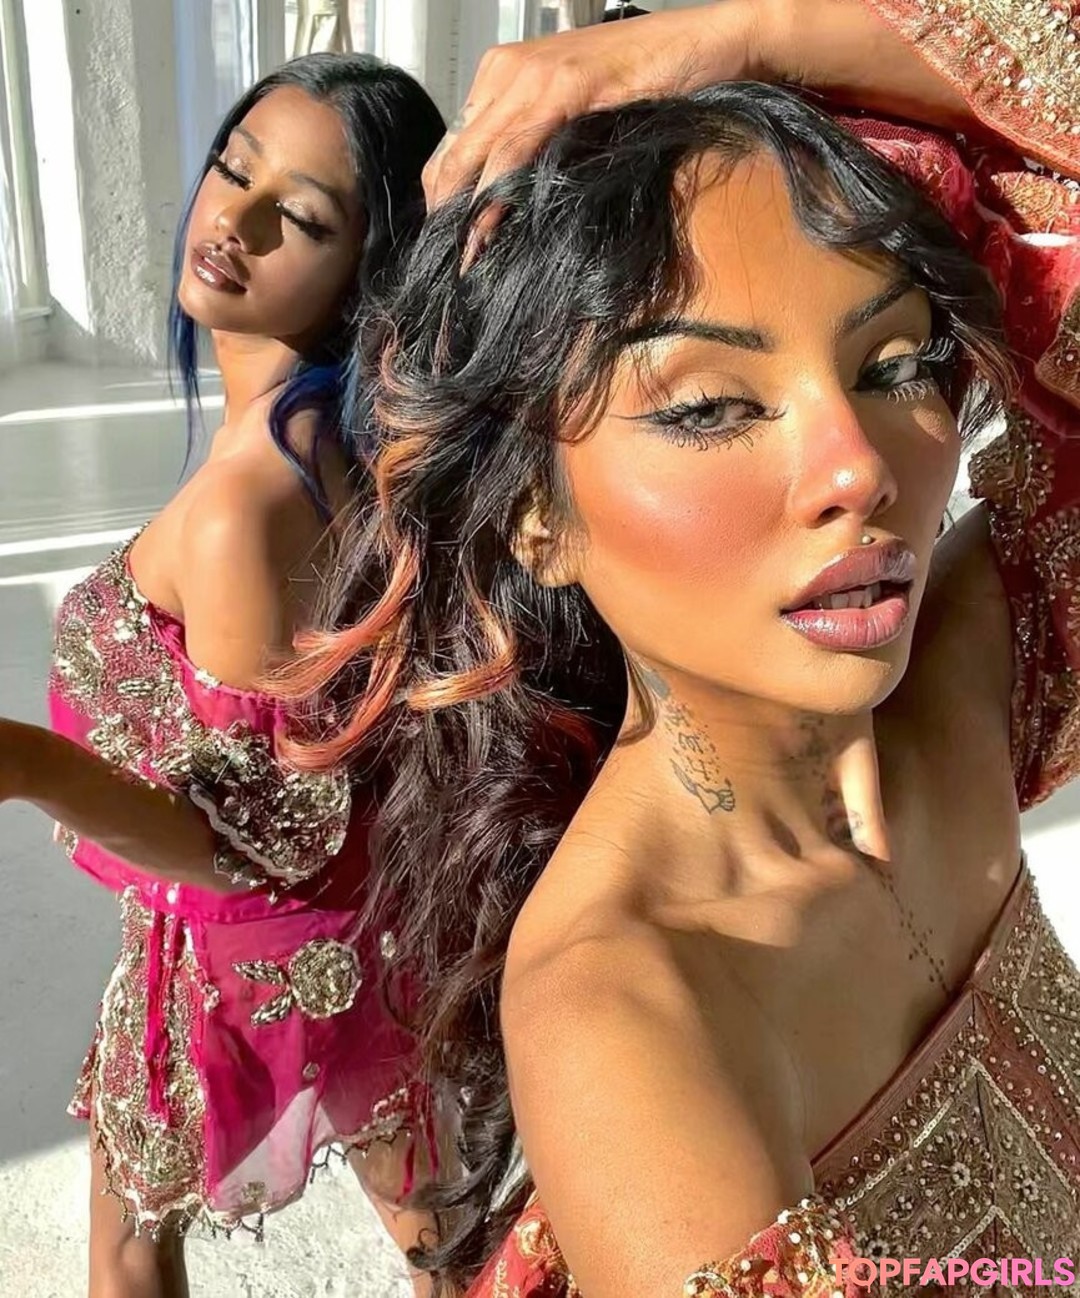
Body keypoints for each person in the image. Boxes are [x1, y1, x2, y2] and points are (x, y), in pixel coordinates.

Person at [276, 1, 1080, 1293]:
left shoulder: (969, 681)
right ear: (537, 518)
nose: (858, 469)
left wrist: (749, 34)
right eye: (710, 406)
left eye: (893, 364)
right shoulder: (628, 1013)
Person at [0, 52, 445, 1298]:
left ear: (371, 267)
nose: (230, 223)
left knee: (128, 1240)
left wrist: (24, 762)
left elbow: (255, 840)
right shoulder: (330, 441)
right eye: (231, 170)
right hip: (358, 918)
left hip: (238, 948)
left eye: (297, 216)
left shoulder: (250, 505)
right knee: (437, 1224)